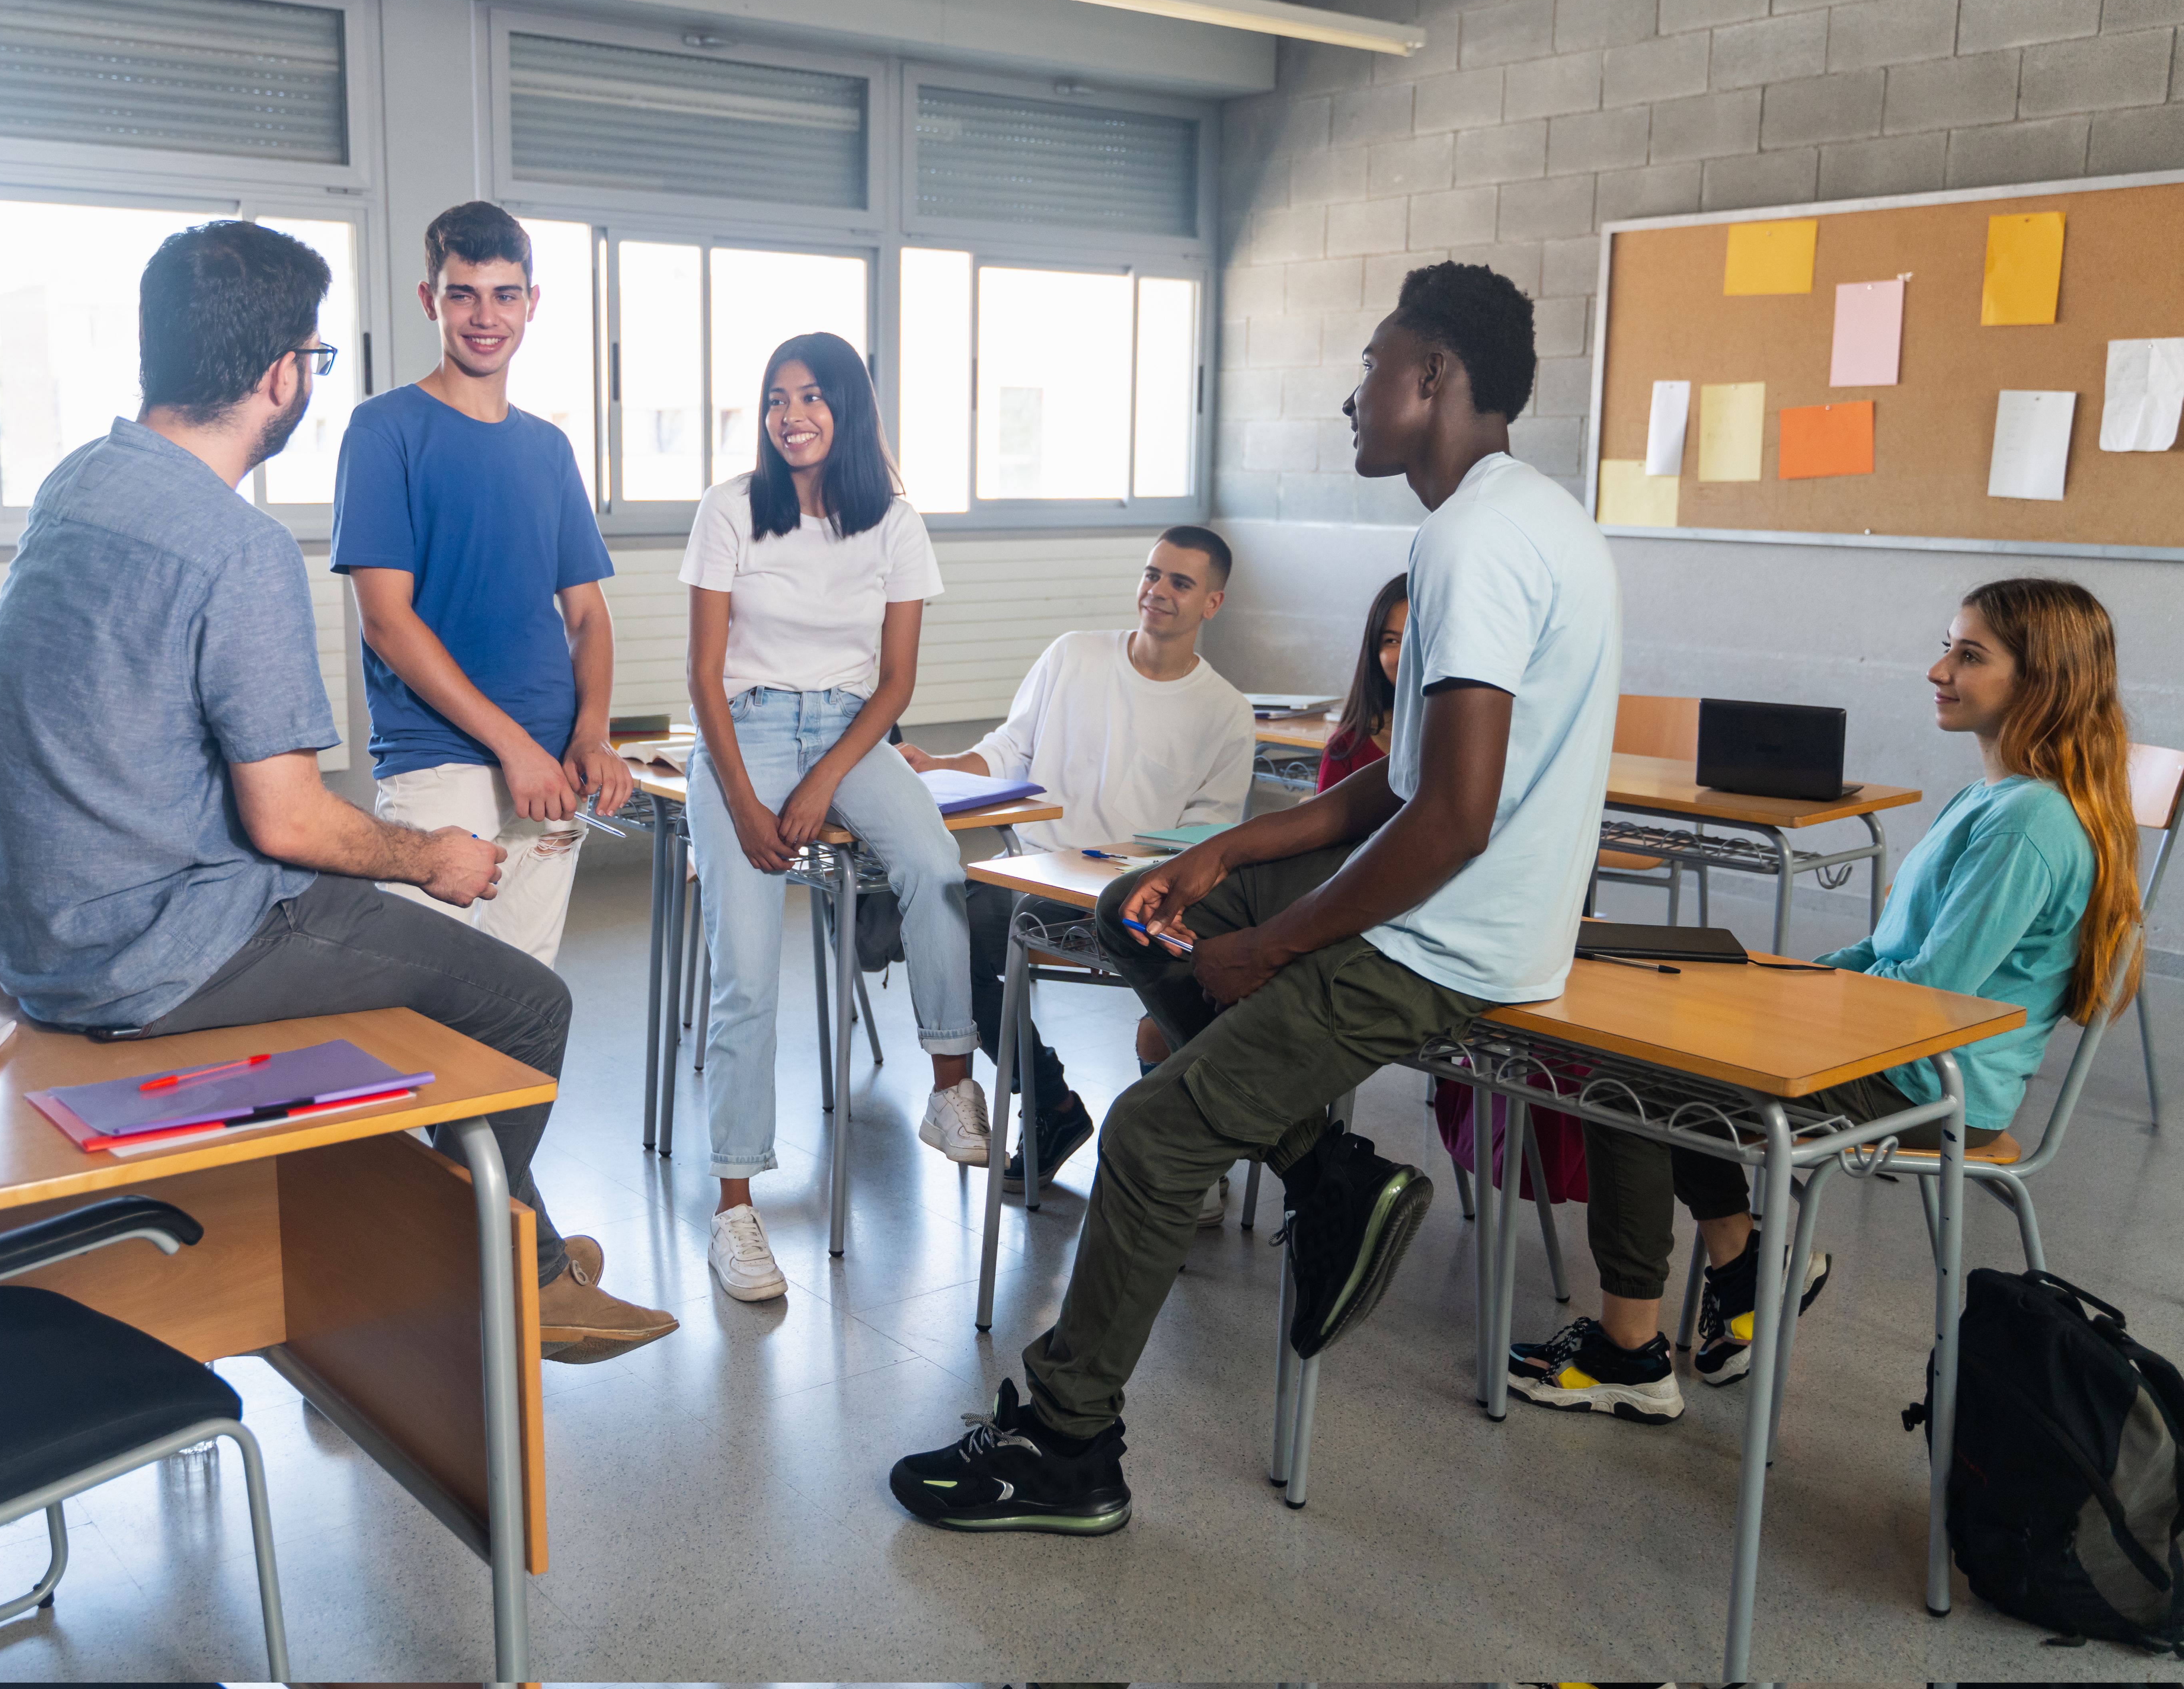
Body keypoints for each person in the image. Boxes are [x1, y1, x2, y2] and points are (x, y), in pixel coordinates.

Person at [889, 259, 1620, 1534]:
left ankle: (1070, 1447)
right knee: (1140, 910)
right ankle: (1327, 1173)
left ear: (1433, 378)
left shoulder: (1476, 541)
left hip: (1447, 942)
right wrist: (1224, 860)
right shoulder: (1522, 518)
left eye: (1370, 371)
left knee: (1154, 1137)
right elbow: (1400, 784)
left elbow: (1451, 821)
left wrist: (1270, 949)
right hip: (1451, 901)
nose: (1352, 400)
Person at [0, 220, 676, 1366]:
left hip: (44, 923)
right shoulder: (236, 545)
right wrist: (432, 857)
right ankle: (510, 1276)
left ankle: (486, 1237)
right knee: (525, 1006)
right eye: (313, 355)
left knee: (438, 983)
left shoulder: (80, 481)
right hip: (154, 944)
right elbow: (288, 821)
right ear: (281, 375)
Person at [1510, 578, 2140, 1421]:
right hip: (1906, 1054)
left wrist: (1791, 1008)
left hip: (1927, 1082)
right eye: (1948, 644)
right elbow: (1889, 955)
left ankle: (1629, 1354)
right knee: (1672, 1046)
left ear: (2043, 680)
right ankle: (1743, 1279)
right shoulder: (1995, 800)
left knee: (1633, 1084)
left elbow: (1931, 995)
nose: (1937, 669)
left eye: (1969, 654)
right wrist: (1786, 982)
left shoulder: (2028, 825)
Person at [682, 331, 980, 1303]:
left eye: (811, 397)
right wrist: (741, 796)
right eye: (775, 398)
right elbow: (702, 675)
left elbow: (895, 683)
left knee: (937, 867)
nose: (791, 415)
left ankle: (948, 1088)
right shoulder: (731, 508)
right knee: (748, 974)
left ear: (848, 409)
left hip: (852, 731)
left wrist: (821, 785)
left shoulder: (892, 522)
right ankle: (735, 1205)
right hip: (746, 729)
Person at [898, 528, 1255, 1216]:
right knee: (942, 928)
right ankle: (1050, 1099)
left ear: (1213, 603)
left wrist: (1144, 874)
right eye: (1152, 575)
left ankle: (1191, 1149)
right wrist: (940, 764)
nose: (1158, 592)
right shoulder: (1074, 655)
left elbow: (1210, 838)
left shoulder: (1226, 713)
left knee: (1205, 972)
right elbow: (1009, 750)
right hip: (1035, 875)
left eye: (1181, 583)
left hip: (1135, 897)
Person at [330, 201, 629, 968]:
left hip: (553, 773)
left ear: (532, 303)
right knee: (425, 1016)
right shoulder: (384, 430)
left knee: (524, 1009)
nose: (485, 316)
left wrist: (590, 733)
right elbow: (387, 623)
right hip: (440, 766)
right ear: (430, 300)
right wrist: (513, 749)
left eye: (505, 294)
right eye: (463, 293)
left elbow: (589, 616)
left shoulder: (550, 449)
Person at [1313, 572, 1407, 792]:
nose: (1406, 656)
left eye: (1419, 638)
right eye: (1392, 641)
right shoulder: (1347, 747)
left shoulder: (1479, 739)